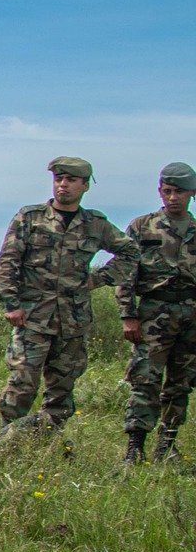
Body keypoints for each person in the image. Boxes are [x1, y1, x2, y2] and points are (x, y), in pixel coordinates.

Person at [0, 156, 139, 438]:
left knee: (63, 387)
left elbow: (131, 253)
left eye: (70, 180)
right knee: (22, 383)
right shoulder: (30, 218)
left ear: (85, 186)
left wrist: (97, 279)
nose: (63, 186)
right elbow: (7, 262)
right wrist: (11, 304)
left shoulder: (95, 224)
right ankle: (6, 439)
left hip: (73, 319)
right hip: (32, 317)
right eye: (59, 179)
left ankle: (46, 440)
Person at [109, 162, 196, 463]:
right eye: (167, 191)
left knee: (181, 382)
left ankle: (167, 445)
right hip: (152, 313)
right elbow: (125, 272)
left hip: (191, 314)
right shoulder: (142, 226)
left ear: (192, 193)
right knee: (145, 379)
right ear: (160, 191)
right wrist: (127, 314)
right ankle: (135, 447)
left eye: (180, 192)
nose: (173, 198)